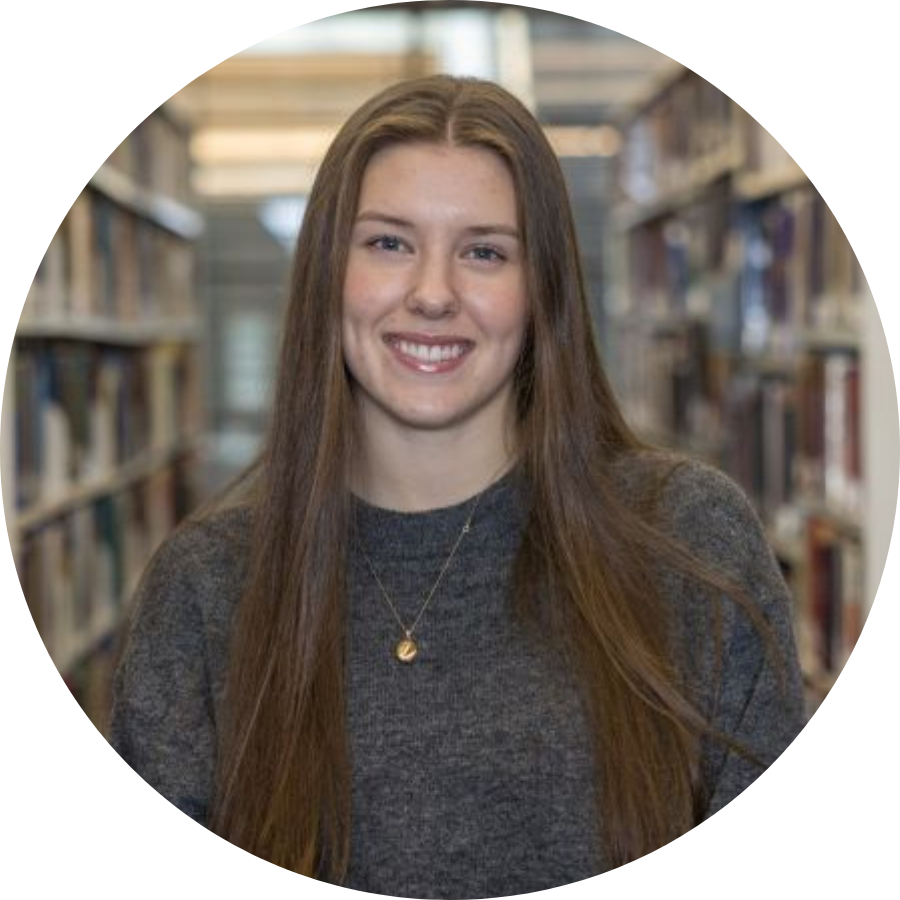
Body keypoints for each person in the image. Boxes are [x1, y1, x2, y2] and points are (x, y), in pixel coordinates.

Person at [109, 74, 805, 898]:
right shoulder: (204, 589)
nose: (433, 294)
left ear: (542, 289)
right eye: (389, 244)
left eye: (484, 251)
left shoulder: (687, 541)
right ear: (326, 274)